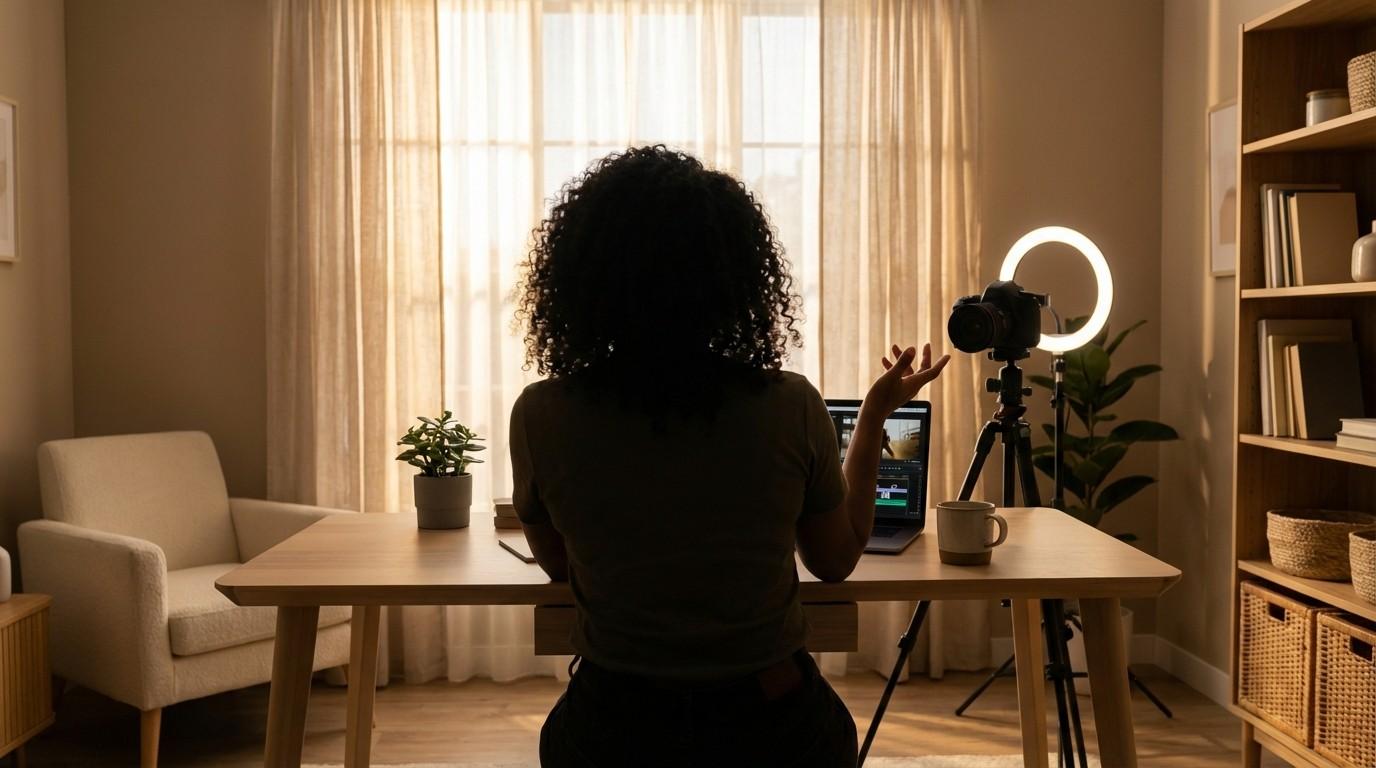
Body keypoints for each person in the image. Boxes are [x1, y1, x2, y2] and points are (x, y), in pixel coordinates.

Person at [510, 146, 948, 768]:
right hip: (770, 724)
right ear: (736, 276)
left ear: (582, 278)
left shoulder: (540, 415)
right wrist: (874, 415)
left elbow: (558, 563)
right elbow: (834, 560)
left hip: (614, 727)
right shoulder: (790, 405)